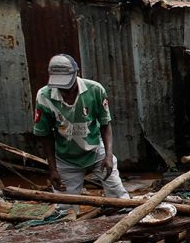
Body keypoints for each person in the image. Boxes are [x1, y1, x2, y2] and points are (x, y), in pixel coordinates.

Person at [33, 54, 129, 199]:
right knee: (65, 208)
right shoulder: (44, 96)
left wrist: (108, 156)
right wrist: (53, 169)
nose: (64, 92)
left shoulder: (95, 90)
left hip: (95, 150)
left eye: (68, 87)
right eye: (61, 88)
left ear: (76, 74)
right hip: (65, 157)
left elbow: (105, 124)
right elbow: (45, 135)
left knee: (120, 197)